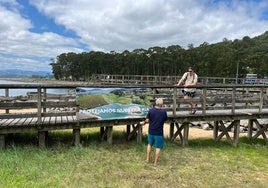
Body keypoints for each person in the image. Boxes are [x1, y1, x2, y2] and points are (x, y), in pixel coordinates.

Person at [140, 98, 168, 166]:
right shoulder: (164, 112)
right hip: (159, 132)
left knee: (149, 144)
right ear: (162, 104)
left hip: (151, 131)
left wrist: (143, 122)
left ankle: (147, 159)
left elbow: (147, 120)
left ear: (155, 103)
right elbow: (165, 119)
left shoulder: (151, 111)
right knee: (158, 147)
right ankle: (155, 163)